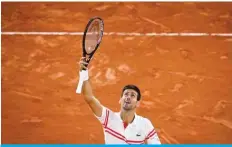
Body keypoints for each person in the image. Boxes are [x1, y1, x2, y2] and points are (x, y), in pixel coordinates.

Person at [77, 57, 161, 144]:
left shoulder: (145, 124)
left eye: (133, 95)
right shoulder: (108, 118)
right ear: (120, 100)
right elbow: (89, 97)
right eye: (126, 94)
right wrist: (84, 74)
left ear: (138, 103)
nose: (128, 97)